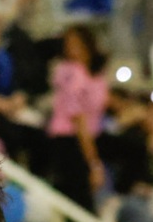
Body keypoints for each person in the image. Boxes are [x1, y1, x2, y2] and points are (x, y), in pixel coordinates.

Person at [45, 24, 109, 211]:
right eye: (68, 43)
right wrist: (94, 164)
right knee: (80, 198)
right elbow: (78, 118)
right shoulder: (71, 72)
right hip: (70, 139)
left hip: (92, 134)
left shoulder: (94, 75)